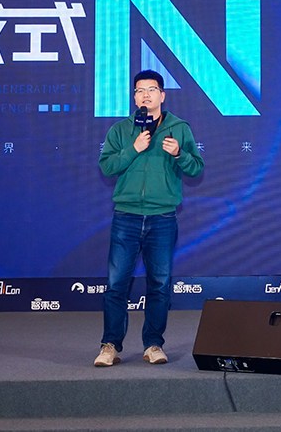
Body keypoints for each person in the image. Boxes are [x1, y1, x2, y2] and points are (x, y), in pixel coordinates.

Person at [94, 70, 204, 367]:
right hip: (126, 217)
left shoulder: (179, 128)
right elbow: (107, 167)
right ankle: (110, 345)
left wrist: (179, 154)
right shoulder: (120, 130)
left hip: (162, 218)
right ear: (134, 97)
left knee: (160, 284)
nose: (146, 95)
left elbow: (196, 168)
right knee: (116, 284)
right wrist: (133, 149)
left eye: (152, 90)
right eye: (140, 90)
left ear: (162, 95)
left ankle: (153, 344)